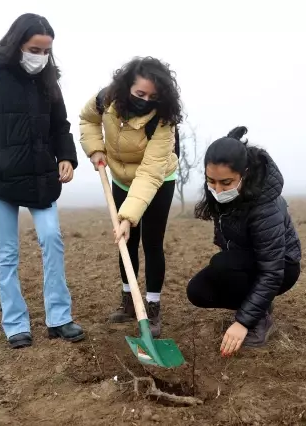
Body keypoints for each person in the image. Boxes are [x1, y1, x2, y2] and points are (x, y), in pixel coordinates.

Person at [0, 13, 85, 349]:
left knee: (52, 239)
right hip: (0, 183)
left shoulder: (48, 81)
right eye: (33, 49)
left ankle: (59, 318)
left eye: (45, 50)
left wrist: (66, 157)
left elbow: (60, 126)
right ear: (17, 44)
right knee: (7, 253)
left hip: (41, 179)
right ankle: (15, 325)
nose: (39, 57)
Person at [79, 57, 182, 337]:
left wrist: (127, 216)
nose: (145, 100)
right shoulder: (106, 99)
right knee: (126, 242)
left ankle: (152, 307)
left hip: (158, 180)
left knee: (151, 242)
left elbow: (149, 173)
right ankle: (128, 302)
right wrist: (95, 149)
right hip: (121, 179)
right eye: (140, 94)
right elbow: (87, 120)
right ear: (127, 88)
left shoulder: (163, 121)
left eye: (153, 96)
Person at [186, 126, 302, 357]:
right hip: (247, 262)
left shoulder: (265, 207)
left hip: (282, 267)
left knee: (223, 264)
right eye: (211, 181)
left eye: (226, 183)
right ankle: (257, 305)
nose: (217, 189)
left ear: (245, 174)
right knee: (197, 291)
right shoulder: (224, 196)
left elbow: (272, 271)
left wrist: (242, 322)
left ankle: (258, 319)